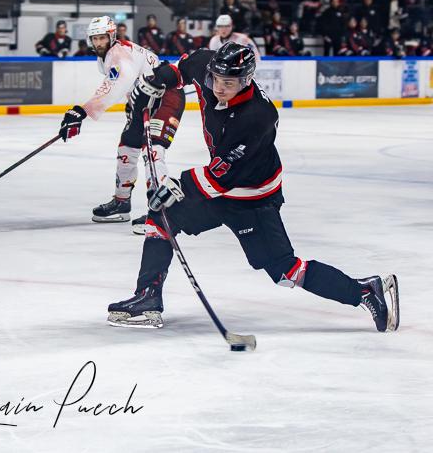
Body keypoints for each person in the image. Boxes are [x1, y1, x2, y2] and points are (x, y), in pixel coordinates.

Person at [106, 42, 400, 333]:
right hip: (221, 187)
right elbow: (178, 71)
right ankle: (148, 297)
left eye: (229, 83)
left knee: (286, 272)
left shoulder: (257, 117)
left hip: (253, 198)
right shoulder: (207, 63)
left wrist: (176, 185)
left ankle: (364, 291)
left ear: (246, 80)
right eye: (217, 80)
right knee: (161, 217)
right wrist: (154, 82)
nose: (219, 87)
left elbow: (219, 178)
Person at [58, 15, 187, 234]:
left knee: (153, 151)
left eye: (101, 38)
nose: (98, 43)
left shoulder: (119, 54)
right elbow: (130, 82)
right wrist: (133, 105)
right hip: (144, 100)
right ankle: (121, 202)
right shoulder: (108, 55)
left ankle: (162, 211)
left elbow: (116, 84)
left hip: (167, 97)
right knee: (127, 147)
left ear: (111, 36)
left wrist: (83, 111)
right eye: (94, 38)